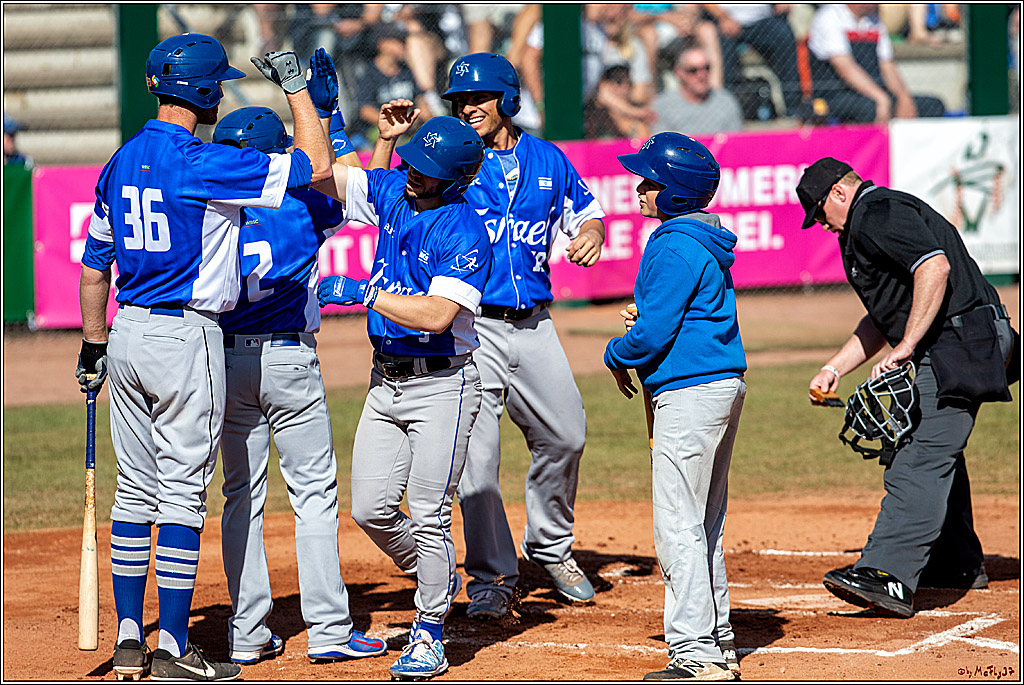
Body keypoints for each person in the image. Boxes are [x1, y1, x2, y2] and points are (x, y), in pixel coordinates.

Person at [75, 34, 330, 681]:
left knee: (134, 490)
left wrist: (91, 341)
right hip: (186, 337)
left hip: (125, 331)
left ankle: (131, 635)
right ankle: (173, 647)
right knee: (182, 495)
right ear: (209, 92)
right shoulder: (204, 160)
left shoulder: (121, 159)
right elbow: (315, 164)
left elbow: (93, 266)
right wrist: (297, 87)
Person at [211, 48, 387, 668]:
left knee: (241, 497)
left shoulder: (205, 206)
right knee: (313, 495)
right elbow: (325, 170)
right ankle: (331, 630)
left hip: (221, 362)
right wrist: (327, 111)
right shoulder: (299, 204)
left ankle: (247, 630)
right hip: (288, 359)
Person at [799, 157, 1017, 618]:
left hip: (957, 345)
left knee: (919, 455)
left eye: (820, 214)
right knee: (930, 448)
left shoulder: (876, 213)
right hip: (951, 344)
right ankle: (955, 562)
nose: (822, 226)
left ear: (839, 193)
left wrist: (907, 346)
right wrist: (836, 367)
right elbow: (884, 316)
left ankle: (888, 575)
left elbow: (933, 268)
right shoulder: (865, 221)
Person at [314, 113, 491, 680]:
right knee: (369, 508)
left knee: (431, 514)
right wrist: (326, 114)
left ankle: (430, 631)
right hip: (385, 380)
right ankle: (437, 572)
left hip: (443, 385)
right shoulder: (397, 188)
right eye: (412, 161)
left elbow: (439, 316)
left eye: (428, 169)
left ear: (457, 178)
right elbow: (328, 176)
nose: (413, 171)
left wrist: (366, 292)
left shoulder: (466, 231)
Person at [435, 52, 607, 619]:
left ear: (507, 99)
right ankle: (490, 577)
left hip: (533, 324)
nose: (468, 108)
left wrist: (592, 233)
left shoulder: (548, 160)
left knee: (566, 435)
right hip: (471, 329)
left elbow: (587, 212)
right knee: (477, 463)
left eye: (479, 98)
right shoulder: (451, 161)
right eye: (460, 101)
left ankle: (550, 547)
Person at [605, 132, 746, 681]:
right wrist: (643, 330)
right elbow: (673, 320)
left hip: (689, 394)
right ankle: (718, 640)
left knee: (678, 524)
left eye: (651, 181)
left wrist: (620, 350)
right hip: (718, 387)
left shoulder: (670, 243)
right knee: (704, 521)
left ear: (677, 194)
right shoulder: (704, 240)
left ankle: (695, 655)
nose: (640, 188)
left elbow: (653, 334)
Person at [807, 3, 946, 124]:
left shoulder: (874, 20)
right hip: (836, 96)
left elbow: (887, 65)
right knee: (870, 110)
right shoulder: (828, 17)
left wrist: (904, 98)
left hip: (874, 94)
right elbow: (846, 68)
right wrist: (880, 98)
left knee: (933, 106)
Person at [702, 4, 802, 117]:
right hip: (723, 21)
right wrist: (723, 17)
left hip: (763, 20)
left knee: (785, 36)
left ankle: (793, 109)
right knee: (723, 52)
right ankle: (724, 111)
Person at [652, 37, 744, 135]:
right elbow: (661, 145)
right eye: (693, 70)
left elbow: (735, 143)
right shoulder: (664, 105)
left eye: (706, 68)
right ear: (679, 72)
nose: (701, 75)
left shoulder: (726, 102)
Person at [354, 22, 430, 138]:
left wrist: (425, 119)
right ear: (382, 44)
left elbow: (421, 100)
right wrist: (393, 123)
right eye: (399, 41)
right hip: (380, 129)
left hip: (409, 126)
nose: (403, 45)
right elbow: (365, 110)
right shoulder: (370, 74)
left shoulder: (406, 71)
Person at [584, 64, 655, 139]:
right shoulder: (594, 113)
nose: (625, 87)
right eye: (618, 82)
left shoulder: (637, 124)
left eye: (629, 83)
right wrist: (635, 112)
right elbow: (602, 95)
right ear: (604, 84)